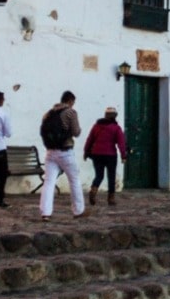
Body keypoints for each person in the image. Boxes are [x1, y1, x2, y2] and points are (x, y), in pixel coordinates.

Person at [39, 91, 84, 220]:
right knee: (74, 180)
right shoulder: (70, 112)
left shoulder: (48, 113)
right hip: (65, 151)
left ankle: (45, 212)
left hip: (50, 151)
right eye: (73, 102)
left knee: (49, 182)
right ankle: (78, 210)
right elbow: (76, 132)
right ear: (70, 101)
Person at [83, 107, 127, 207]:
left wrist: (86, 152)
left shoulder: (96, 126)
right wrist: (123, 155)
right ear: (115, 116)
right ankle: (111, 198)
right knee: (111, 176)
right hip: (110, 155)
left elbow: (89, 139)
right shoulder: (116, 128)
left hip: (97, 154)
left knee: (99, 175)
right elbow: (121, 143)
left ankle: (93, 190)